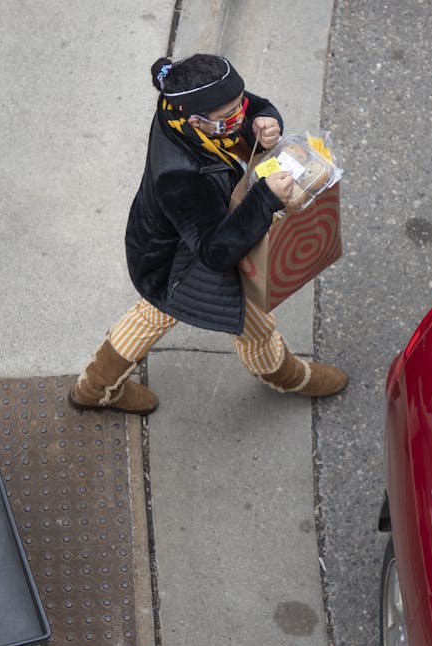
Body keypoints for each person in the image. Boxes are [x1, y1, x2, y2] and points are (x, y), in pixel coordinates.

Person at [71, 53, 348, 414]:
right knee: (248, 318)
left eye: (240, 106)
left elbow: (251, 105)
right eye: (228, 117)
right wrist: (264, 198)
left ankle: (95, 387)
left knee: (157, 313)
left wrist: (266, 119)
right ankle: (287, 376)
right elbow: (215, 254)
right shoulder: (179, 175)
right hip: (177, 261)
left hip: (179, 239)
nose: (239, 117)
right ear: (195, 118)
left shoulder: (185, 106)